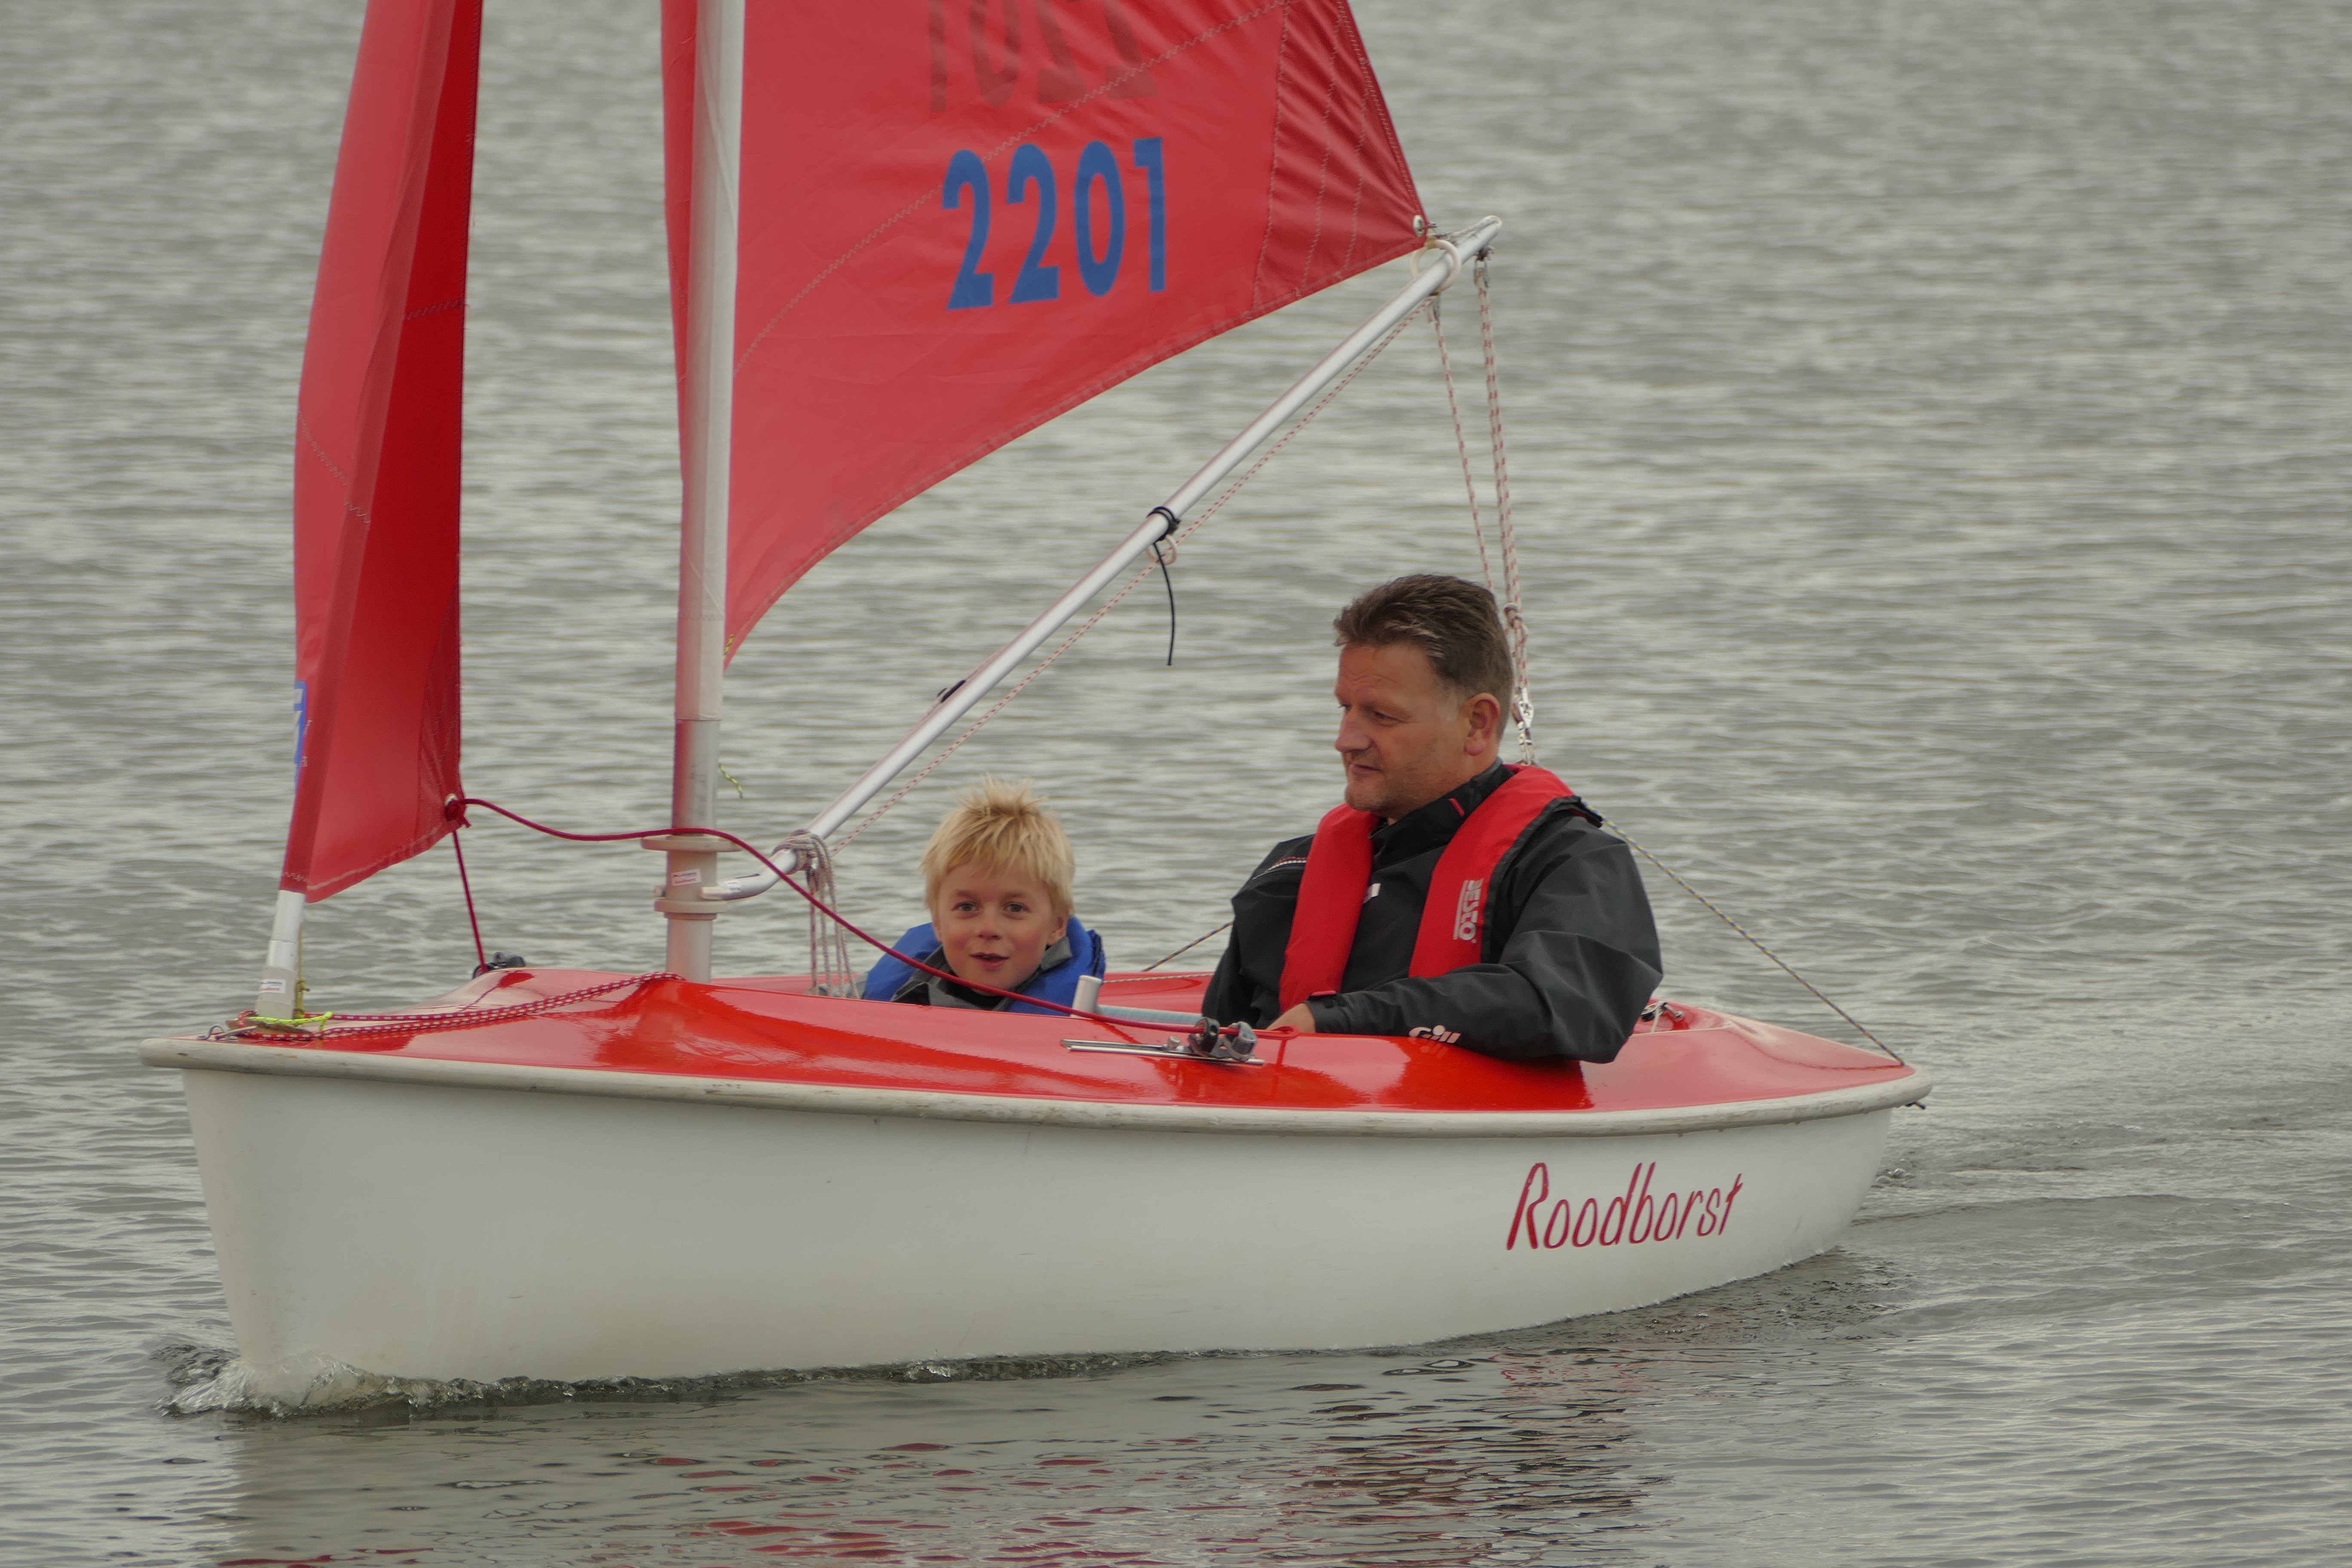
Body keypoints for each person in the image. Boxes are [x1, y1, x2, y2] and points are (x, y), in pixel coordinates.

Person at [1202, 575, 1661, 1062]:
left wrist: (1343, 1019)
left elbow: (1574, 1006)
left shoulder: (1570, 863)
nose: (1346, 740)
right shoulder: (1290, 873)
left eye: (1382, 716)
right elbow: (1216, 1040)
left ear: (1477, 724)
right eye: (1345, 708)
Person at [864, 777, 1107, 1011]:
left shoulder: (1077, 1019)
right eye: (968, 907)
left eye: (1015, 908)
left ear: (1057, 925)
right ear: (938, 922)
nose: (989, 929)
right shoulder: (875, 994)